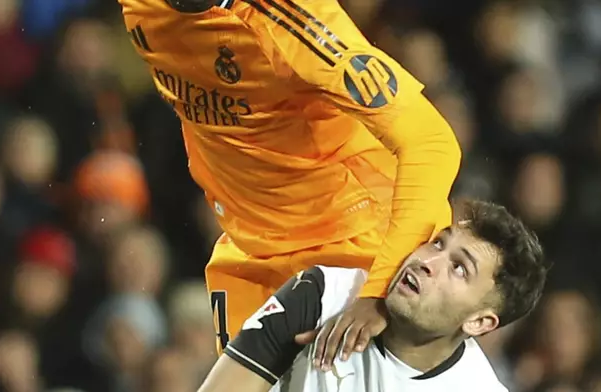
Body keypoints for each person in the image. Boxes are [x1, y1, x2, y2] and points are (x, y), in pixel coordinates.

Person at [118, 0, 461, 365]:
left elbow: (432, 142)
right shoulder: (141, 8)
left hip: (351, 245)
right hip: (250, 251)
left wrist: (379, 291)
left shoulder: (291, 16)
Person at [198, 200, 549, 392]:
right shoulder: (326, 295)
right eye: (438, 243)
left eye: (459, 268)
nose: (428, 261)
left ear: (480, 321)